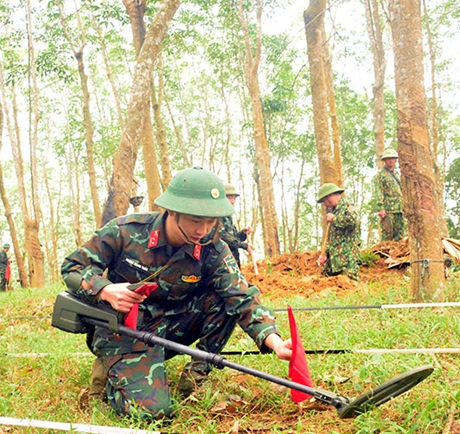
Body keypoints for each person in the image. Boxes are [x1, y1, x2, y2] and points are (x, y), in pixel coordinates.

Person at [61, 167, 293, 419]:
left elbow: (241, 297)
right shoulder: (125, 231)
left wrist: (275, 341)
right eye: (196, 220)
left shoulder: (213, 248)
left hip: (173, 328)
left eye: (211, 221)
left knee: (222, 299)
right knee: (152, 414)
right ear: (172, 211)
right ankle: (108, 372)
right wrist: (104, 289)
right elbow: (72, 267)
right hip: (125, 329)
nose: (203, 230)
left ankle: (195, 377)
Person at [316, 183, 361, 280]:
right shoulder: (335, 211)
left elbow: (353, 221)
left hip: (347, 262)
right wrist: (325, 255)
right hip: (334, 261)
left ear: (329, 196)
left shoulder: (347, 207)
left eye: (324, 201)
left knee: (349, 287)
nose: (325, 205)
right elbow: (334, 239)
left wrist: (335, 219)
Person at [219, 183, 254, 266]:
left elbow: (234, 238)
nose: (233, 201)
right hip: (221, 262)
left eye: (234, 198)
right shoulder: (215, 216)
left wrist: (243, 233)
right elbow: (224, 237)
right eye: (230, 198)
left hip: (232, 261)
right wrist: (245, 246)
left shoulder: (228, 216)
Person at [375, 148, 405, 242]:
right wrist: (381, 207)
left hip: (399, 209)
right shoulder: (380, 175)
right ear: (384, 160)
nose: (391, 160)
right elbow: (378, 191)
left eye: (393, 158)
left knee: (399, 235)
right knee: (387, 235)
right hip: (388, 210)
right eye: (388, 158)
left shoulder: (397, 174)